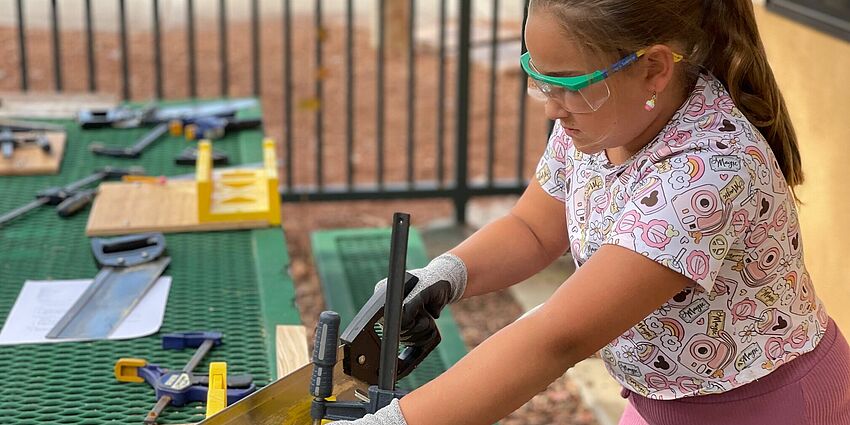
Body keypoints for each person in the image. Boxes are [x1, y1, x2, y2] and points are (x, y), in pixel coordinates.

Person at [331, 0, 850, 424]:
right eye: (540, 78)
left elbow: (558, 338)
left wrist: (394, 423)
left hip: (768, 406)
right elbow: (533, 229)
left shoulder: (708, 172)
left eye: (569, 83)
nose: (551, 106)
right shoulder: (599, 120)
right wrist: (444, 276)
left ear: (653, 69)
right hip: (663, 399)